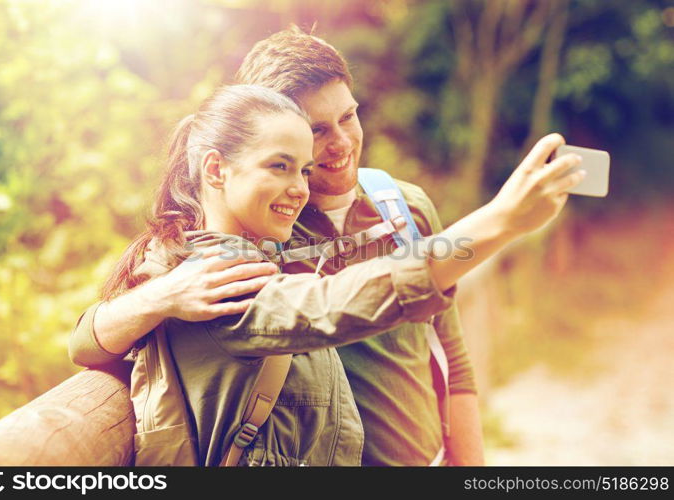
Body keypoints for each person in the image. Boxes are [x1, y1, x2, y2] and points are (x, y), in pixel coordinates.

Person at [69, 31, 585, 466]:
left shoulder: (402, 205)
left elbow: (448, 352)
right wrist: (499, 221)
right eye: (312, 135)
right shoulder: (251, 245)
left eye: (349, 117)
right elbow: (326, 304)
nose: (339, 143)